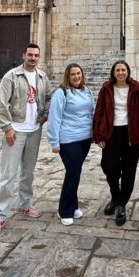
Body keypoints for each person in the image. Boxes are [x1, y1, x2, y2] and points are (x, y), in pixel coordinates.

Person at [0, 43, 50, 237]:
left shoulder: (42, 77)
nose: (33, 58)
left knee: (28, 173)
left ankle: (25, 205)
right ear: (24, 55)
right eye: (30, 55)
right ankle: (0, 214)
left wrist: (44, 117)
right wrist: (7, 128)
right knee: (8, 174)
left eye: (36, 55)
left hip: (34, 131)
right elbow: (1, 103)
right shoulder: (11, 76)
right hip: (16, 131)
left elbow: (48, 98)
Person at [93, 60, 139, 226]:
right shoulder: (107, 88)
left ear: (128, 72)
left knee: (129, 170)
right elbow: (99, 110)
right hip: (111, 133)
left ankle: (122, 204)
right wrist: (98, 136)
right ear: (113, 72)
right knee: (109, 166)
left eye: (123, 70)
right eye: (118, 70)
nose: (121, 73)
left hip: (131, 133)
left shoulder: (136, 88)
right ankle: (115, 196)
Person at [47, 63, 94, 226]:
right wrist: (54, 142)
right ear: (68, 76)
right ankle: (64, 210)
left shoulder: (87, 91)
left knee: (75, 172)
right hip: (68, 139)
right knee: (73, 173)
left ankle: (73, 206)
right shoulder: (61, 93)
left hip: (85, 139)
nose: (76, 77)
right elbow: (54, 118)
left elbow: (91, 113)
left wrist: (94, 133)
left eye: (79, 73)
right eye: (73, 74)